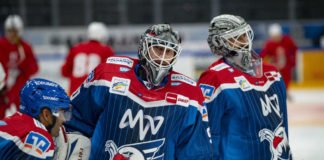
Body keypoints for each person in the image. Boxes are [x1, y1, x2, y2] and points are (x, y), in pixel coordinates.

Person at [64, 24, 212, 159]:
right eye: (158, 49)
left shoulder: (190, 94)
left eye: (169, 52)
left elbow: (196, 152)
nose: (162, 58)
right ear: (144, 47)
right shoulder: (108, 75)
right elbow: (77, 121)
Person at [198, 14, 292, 159]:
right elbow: (207, 134)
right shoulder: (214, 79)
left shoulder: (272, 74)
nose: (245, 41)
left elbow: (282, 124)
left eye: (244, 35)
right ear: (219, 43)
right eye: (236, 37)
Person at [0, 78, 71, 159]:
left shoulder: (13, 121)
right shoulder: (39, 137)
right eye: (61, 112)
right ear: (46, 114)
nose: (63, 119)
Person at [0, 14, 39, 118]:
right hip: (2, 87)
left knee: (24, 116)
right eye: (9, 31)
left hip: (19, 88)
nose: (11, 35)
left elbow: (34, 67)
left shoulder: (25, 47)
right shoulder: (1, 45)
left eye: (14, 31)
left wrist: (23, 68)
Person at [61, 22, 115, 95]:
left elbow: (64, 72)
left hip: (74, 94)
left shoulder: (75, 48)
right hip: (94, 95)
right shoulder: (106, 50)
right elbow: (112, 73)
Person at [260, 23, 297, 91]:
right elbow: (263, 54)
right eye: (274, 37)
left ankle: (285, 91)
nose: (276, 39)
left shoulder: (288, 40)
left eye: (277, 36)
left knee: (287, 79)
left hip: (286, 65)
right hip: (275, 66)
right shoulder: (269, 44)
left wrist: (293, 61)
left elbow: (294, 50)